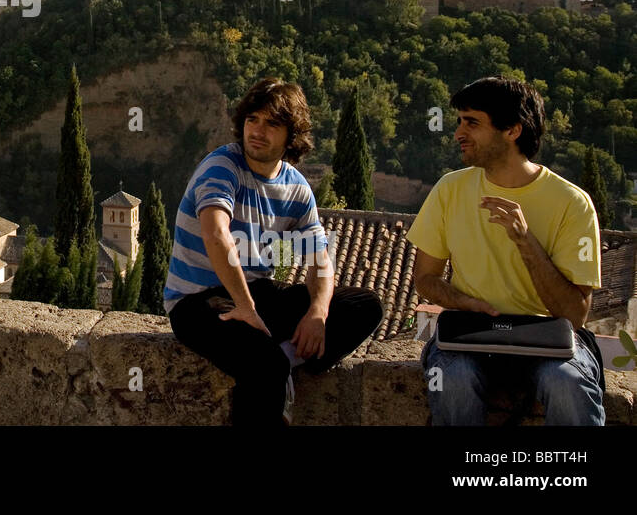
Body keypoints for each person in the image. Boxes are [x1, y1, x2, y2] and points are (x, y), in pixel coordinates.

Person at [165, 77, 383, 426]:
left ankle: (283, 357)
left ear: (291, 136)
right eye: (253, 119)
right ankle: (277, 365)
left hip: (256, 293)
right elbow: (216, 234)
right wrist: (245, 307)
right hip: (199, 302)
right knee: (264, 367)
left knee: (364, 306)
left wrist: (317, 312)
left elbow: (320, 260)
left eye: (272, 124)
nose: (258, 131)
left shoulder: (296, 187)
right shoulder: (223, 167)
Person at [408, 76, 604, 425]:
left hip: (548, 339)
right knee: (450, 381)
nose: (458, 133)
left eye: (472, 122)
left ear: (512, 130)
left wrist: (526, 241)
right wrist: (465, 302)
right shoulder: (449, 190)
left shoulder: (573, 204)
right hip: (471, 334)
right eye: (458, 122)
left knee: (568, 383)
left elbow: (575, 314)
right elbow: (425, 278)